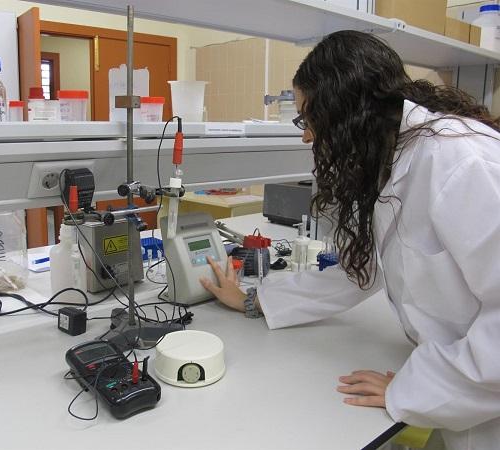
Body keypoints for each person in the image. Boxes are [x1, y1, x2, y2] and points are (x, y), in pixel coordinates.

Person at [199, 30, 500, 450]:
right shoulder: (396, 156)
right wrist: (253, 301)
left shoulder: (460, 161)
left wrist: (418, 387)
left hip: (486, 400)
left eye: (308, 118)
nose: (307, 136)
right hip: (465, 387)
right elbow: (363, 269)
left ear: (344, 108)